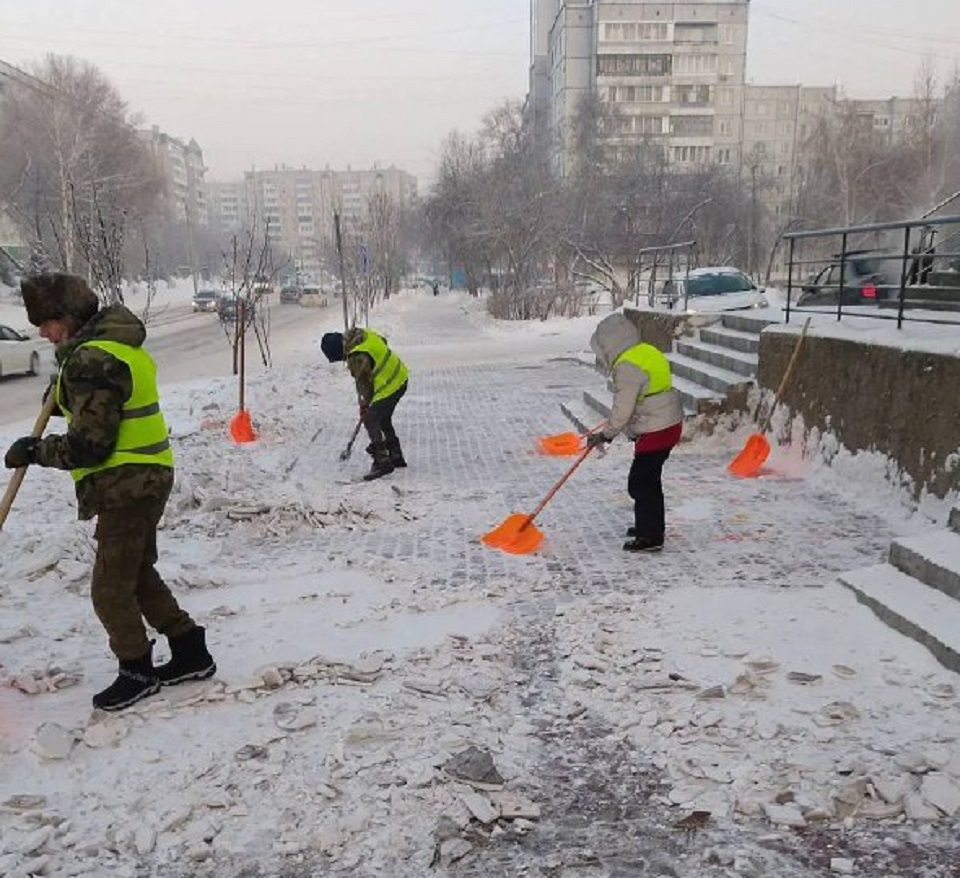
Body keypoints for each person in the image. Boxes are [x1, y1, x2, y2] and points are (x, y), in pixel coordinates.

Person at [3, 273, 216, 711]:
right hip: (147, 475)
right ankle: (190, 649)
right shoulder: (115, 347)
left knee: (108, 587)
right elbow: (105, 407)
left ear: (67, 318)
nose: (42, 333)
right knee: (135, 572)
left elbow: (89, 445)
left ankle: (137, 670)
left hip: (127, 483)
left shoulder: (91, 360)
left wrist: (35, 451)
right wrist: (65, 394)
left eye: (46, 323)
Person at [586, 313, 683, 552]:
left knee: (640, 483)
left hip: (657, 429)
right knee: (648, 480)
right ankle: (648, 526)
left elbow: (624, 407)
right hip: (668, 423)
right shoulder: (646, 351)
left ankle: (650, 536)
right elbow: (646, 394)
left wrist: (607, 435)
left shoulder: (626, 365)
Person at [320, 327, 409, 481]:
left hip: (389, 385)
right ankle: (396, 456)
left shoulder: (356, 356)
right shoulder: (363, 335)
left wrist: (365, 406)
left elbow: (364, 385)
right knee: (383, 417)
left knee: (371, 419)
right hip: (400, 376)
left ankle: (382, 462)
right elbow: (383, 341)